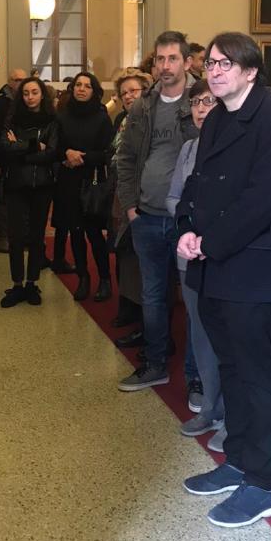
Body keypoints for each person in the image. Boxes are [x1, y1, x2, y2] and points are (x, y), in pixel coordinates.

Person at [178, 32, 271, 528]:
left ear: (251, 71)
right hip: (213, 262)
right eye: (210, 63)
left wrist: (210, 241)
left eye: (225, 63)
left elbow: (263, 198)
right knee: (230, 367)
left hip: (251, 264)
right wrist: (186, 229)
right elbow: (197, 183)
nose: (214, 70)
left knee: (258, 375)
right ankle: (239, 460)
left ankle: (264, 483)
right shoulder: (218, 117)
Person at [116, 30, 198, 391]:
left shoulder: (203, 100)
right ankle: (155, 363)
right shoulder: (143, 105)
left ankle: (197, 376)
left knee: (193, 300)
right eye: (160, 59)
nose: (165, 66)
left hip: (188, 219)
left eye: (172, 58)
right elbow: (126, 158)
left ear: (187, 62)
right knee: (152, 296)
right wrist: (130, 207)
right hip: (147, 215)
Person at [167, 77, 225, 445]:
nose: (201, 109)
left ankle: (232, 416)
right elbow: (174, 197)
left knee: (228, 339)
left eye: (208, 101)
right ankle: (210, 407)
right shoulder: (190, 147)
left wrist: (208, 234)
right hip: (190, 252)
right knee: (200, 334)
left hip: (221, 252)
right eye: (196, 102)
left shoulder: (236, 145)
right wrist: (189, 229)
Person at [53, 72, 114, 301]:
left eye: (87, 86)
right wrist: (66, 153)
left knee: (94, 234)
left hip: (92, 181)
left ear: (94, 91)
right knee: (75, 233)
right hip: (68, 181)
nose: (81, 89)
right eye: (78, 85)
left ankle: (105, 279)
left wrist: (82, 158)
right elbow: (55, 147)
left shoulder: (102, 117)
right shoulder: (62, 116)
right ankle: (83, 277)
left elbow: (108, 152)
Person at [0, 76, 59, 308]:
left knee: (36, 237)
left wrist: (21, 149)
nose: (30, 97)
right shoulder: (12, 119)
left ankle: (32, 283)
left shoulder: (52, 121)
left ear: (42, 95)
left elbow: (51, 153)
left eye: (34, 92)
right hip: (15, 185)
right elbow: (6, 148)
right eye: (25, 93)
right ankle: (17, 284)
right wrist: (35, 145)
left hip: (42, 185)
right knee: (15, 238)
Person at [109, 70, 153, 343]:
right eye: (124, 93)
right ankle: (130, 310)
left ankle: (148, 327)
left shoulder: (151, 119)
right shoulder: (122, 120)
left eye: (133, 91)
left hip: (144, 199)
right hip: (122, 195)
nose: (128, 96)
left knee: (144, 265)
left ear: (146, 92)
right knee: (125, 257)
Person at [0, 68, 28, 253]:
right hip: (3, 160)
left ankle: (23, 236)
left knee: (23, 202)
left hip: (24, 160)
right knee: (2, 203)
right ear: (9, 82)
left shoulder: (29, 101)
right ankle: (3, 237)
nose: (20, 83)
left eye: (23, 79)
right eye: (16, 80)